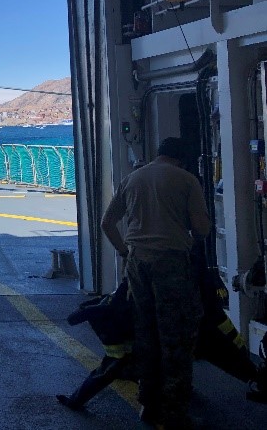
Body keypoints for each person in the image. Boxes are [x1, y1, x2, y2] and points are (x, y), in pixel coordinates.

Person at [101, 136, 212, 429]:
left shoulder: (132, 179)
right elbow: (201, 228)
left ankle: (147, 403)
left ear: (159, 155)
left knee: (146, 332)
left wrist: (125, 252)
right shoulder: (187, 180)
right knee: (176, 336)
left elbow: (107, 223)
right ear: (182, 159)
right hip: (171, 263)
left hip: (137, 263)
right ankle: (174, 412)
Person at [57, 279, 136, 411]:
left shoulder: (108, 306)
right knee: (112, 369)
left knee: (107, 372)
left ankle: (74, 402)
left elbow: (73, 319)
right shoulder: (123, 301)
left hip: (124, 347)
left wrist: (86, 308)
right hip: (132, 343)